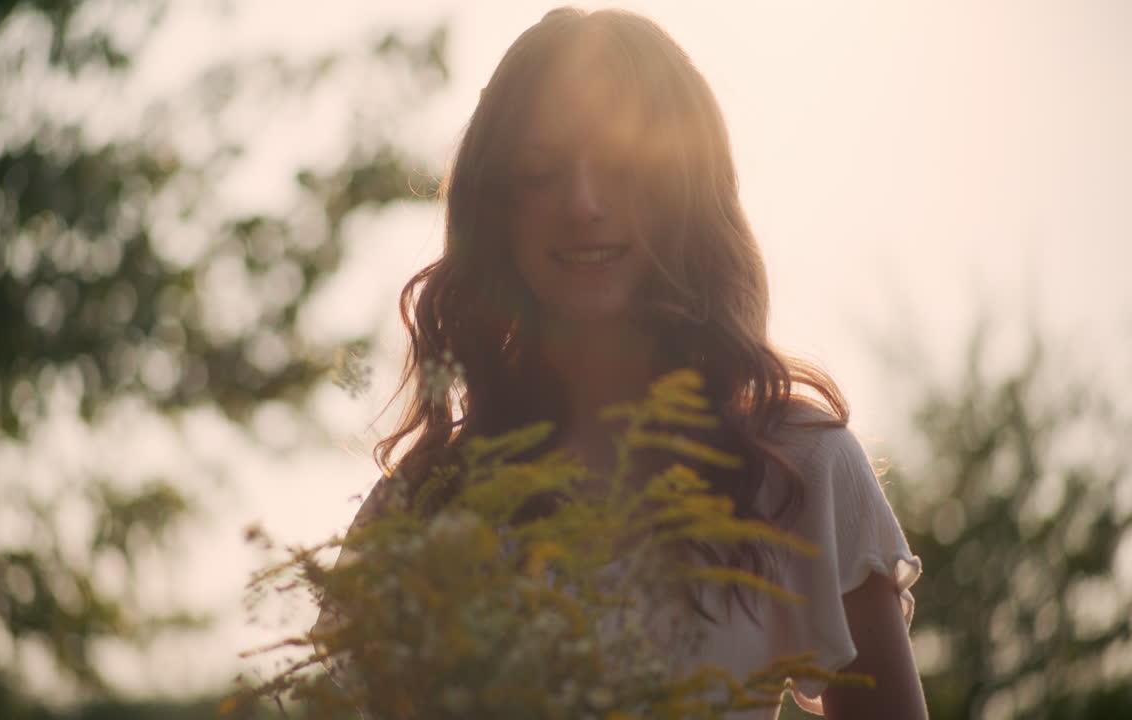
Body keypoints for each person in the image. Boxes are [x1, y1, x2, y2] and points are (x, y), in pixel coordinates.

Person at [315, 7, 927, 719]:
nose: (584, 203)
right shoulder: (424, 508)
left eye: (622, 166)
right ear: (496, 206)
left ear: (684, 191)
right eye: (540, 173)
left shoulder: (797, 468)